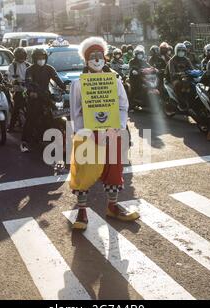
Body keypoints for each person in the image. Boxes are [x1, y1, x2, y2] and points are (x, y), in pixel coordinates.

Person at [69, 37, 139, 230]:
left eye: (100, 55)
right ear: (86, 60)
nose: (97, 59)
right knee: (84, 172)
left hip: (112, 133)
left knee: (114, 170)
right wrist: (84, 132)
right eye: (93, 56)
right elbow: (75, 112)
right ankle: (82, 212)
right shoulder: (77, 84)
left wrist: (119, 125)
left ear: (105, 58)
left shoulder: (115, 81)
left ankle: (113, 206)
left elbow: (123, 105)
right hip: (88, 136)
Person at [20, 48, 66, 152]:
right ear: (34, 59)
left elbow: (57, 79)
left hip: (47, 96)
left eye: (43, 58)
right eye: (39, 58)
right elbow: (28, 83)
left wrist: (64, 87)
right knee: (31, 119)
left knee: (56, 113)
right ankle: (24, 142)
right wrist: (32, 92)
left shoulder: (49, 68)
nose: (41, 59)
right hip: (35, 97)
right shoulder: (30, 70)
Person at [7, 47, 31, 132]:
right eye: (20, 56)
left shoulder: (28, 65)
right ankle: (11, 127)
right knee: (16, 109)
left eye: (23, 56)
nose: (22, 58)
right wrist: (15, 81)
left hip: (28, 90)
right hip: (18, 90)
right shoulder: (13, 66)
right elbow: (10, 77)